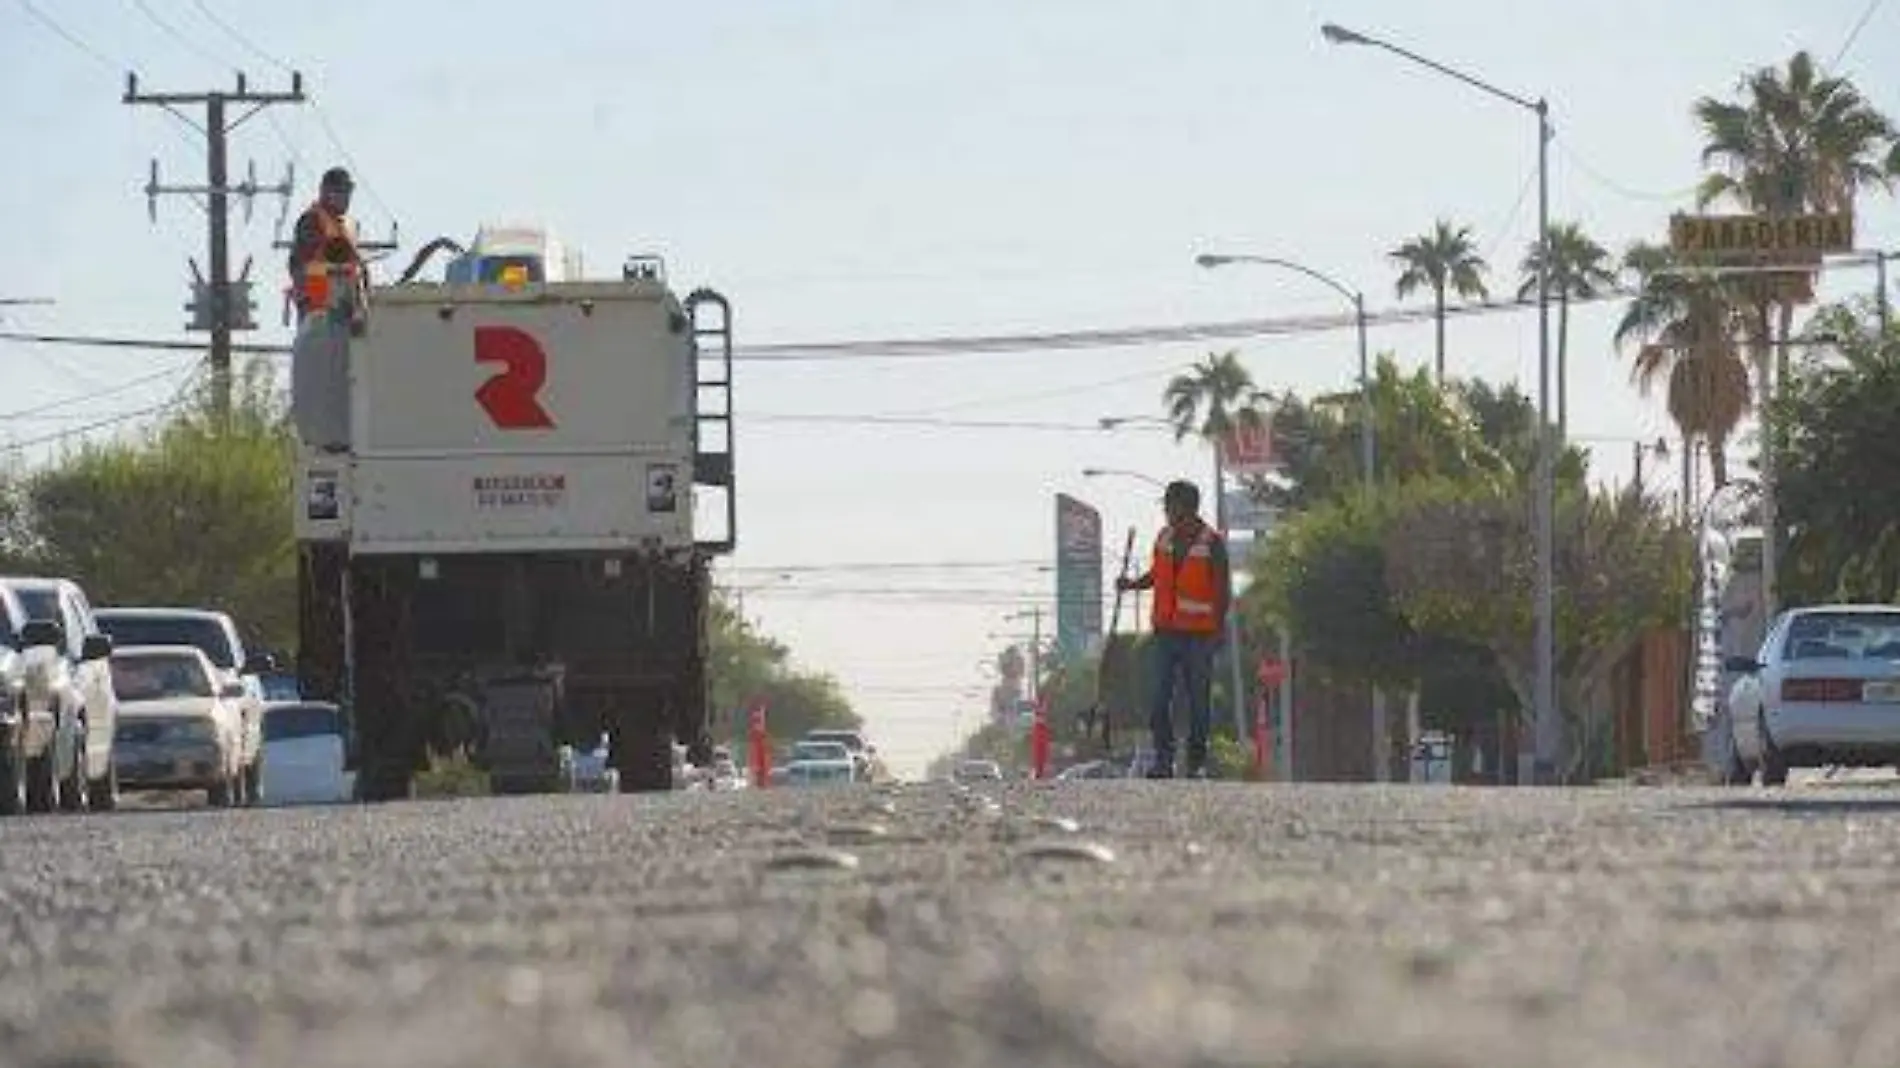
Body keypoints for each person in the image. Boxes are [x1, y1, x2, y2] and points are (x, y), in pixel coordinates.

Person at [1116, 479, 1232, 779]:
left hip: (1199, 635)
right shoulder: (1164, 538)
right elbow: (1156, 576)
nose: (1167, 512)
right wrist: (1131, 585)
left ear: (1187, 507)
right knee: (1158, 698)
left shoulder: (1212, 543)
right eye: (1166, 506)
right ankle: (1163, 761)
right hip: (1166, 633)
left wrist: (1218, 630)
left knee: (1198, 701)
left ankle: (1195, 763)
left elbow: (1222, 591)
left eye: (1170, 505)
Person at [287, 167, 366, 324]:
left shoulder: (342, 226)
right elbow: (305, 265)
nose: (346, 198)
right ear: (326, 191)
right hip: (318, 308)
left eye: (348, 193)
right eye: (341, 192)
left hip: (341, 308)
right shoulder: (312, 221)